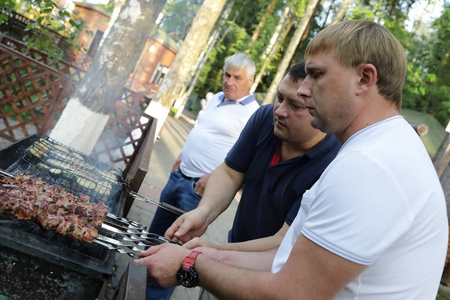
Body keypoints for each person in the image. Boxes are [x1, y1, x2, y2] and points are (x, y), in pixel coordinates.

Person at [137, 20, 448, 299]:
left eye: (316, 75)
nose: (303, 89)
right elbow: (284, 256)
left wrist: (189, 265)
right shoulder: (373, 149)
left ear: (364, 79)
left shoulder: (370, 166)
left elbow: (291, 293)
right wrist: (210, 252)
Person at [165, 61, 341, 255]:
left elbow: (284, 240)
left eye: (295, 105)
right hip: (233, 245)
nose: (280, 111)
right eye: (280, 98)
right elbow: (230, 172)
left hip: (273, 272)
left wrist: (216, 252)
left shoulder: (334, 163)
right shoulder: (265, 118)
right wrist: (203, 213)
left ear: (324, 110)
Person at [146, 52, 260, 300]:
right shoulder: (217, 98)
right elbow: (202, 129)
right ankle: (132, 284)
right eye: (227, 75)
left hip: (198, 192)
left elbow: (246, 160)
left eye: (236, 77)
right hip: (178, 177)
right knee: (153, 238)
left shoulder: (253, 113)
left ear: (250, 80)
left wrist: (214, 176)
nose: (229, 81)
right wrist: (182, 155)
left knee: (174, 251)